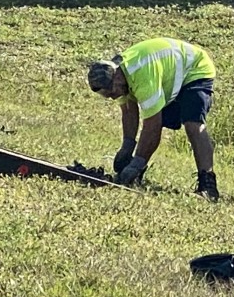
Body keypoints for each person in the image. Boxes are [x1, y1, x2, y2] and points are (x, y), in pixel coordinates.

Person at [87, 37, 219, 200]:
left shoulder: (142, 75)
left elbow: (152, 127)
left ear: (117, 77)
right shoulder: (120, 77)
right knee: (156, 119)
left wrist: (137, 163)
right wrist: (127, 146)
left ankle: (208, 186)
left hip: (195, 69)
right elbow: (129, 111)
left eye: (112, 92)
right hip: (170, 76)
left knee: (193, 123)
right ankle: (135, 173)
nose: (112, 97)